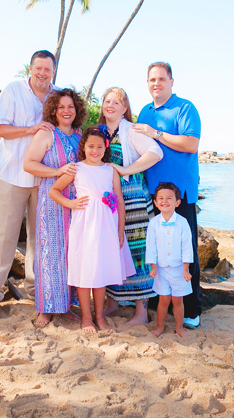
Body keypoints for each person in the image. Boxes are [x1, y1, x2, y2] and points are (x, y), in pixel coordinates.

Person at [0, 51, 58, 320]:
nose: (42, 74)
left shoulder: (57, 96)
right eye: (38, 68)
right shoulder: (14, 90)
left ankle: (37, 292)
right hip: (12, 174)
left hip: (45, 178)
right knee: (3, 237)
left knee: (40, 237)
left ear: (53, 72)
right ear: (31, 68)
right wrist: (31, 129)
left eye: (47, 70)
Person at [134, 61, 203, 328]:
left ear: (171, 82)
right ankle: (157, 300)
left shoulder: (185, 108)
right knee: (158, 249)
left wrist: (157, 134)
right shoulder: (144, 111)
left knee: (186, 250)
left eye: (162, 79)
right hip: (152, 193)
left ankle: (191, 311)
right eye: (152, 79)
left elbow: (191, 143)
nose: (156, 84)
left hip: (180, 195)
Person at [49, 127, 135, 333]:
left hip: (107, 226)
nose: (95, 151)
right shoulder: (76, 168)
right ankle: (86, 318)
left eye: (99, 147)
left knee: (101, 270)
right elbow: (54, 190)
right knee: (85, 269)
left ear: (105, 148)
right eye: (90, 147)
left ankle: (99, 316)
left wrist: (120, 229)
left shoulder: (110, 170)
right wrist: (70, 204)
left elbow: (119, 201)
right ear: (84, 147)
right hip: (85, 226)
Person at [98, 87, 163, 325]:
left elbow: (155, 152)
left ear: (125, 108)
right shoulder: (100, 131)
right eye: (107, 101)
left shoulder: (130, 130)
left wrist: (125, 170)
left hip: (132, 197)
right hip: (108, 200)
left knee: (136, 250)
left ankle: (141, 312)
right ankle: (113, 301)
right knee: (112, 247)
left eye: (117, 102)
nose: (111, 105)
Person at [22, 88, 86, 327]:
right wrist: (57, 171)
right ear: (54, 111)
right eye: (61, 107)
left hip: (76, 203)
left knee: (72, 254)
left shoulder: (81, 136)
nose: (66, 111)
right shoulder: (47, 134)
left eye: (70, 107)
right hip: (51, 200)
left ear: (77, 109)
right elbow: (29, 164)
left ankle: (67, 307)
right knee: (49, 254)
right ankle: (46, 309)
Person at [145, 182, 193, 338]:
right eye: (161, 198)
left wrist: (186, 269)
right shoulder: (153, 223)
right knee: (163, 299)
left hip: (179, 269)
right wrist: (153, 267)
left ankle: (180, 328)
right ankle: (159, 326)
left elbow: (187, 247)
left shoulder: (182, 223)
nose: (164, 201)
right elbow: (151, 247)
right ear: (155, 202)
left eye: (169, 198)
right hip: (161, 269)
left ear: (177, 203)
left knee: (178, 300)